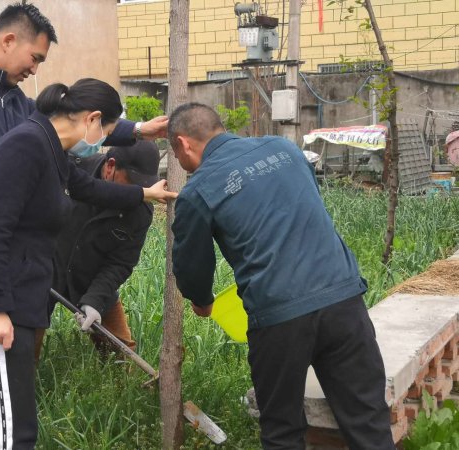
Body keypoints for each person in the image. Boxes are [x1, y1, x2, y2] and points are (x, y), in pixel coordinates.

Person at [0, 3, 167, 447]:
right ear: (9, 39)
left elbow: (74, 127)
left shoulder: (15, 101)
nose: (36, 69)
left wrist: (138, 134)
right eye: (35, 58)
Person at [168, 102, 395, 450]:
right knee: (368, 420)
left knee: (282, 431)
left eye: (175, 154)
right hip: (343, 299)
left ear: (183, 144)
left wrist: (201, 300)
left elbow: (191, 264)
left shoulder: (197, 191)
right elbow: (305, 203)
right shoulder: (284, 149)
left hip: (279, 316)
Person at [34, 140, 160, 360]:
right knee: (24, 350)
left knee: (121, 355)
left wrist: (95, 300)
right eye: (132, 184)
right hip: (45, 271)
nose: (138, 192)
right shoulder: (72, 171)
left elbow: (120, 263)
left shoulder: (141, 209)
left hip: (91, 280)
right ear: (110, 166)